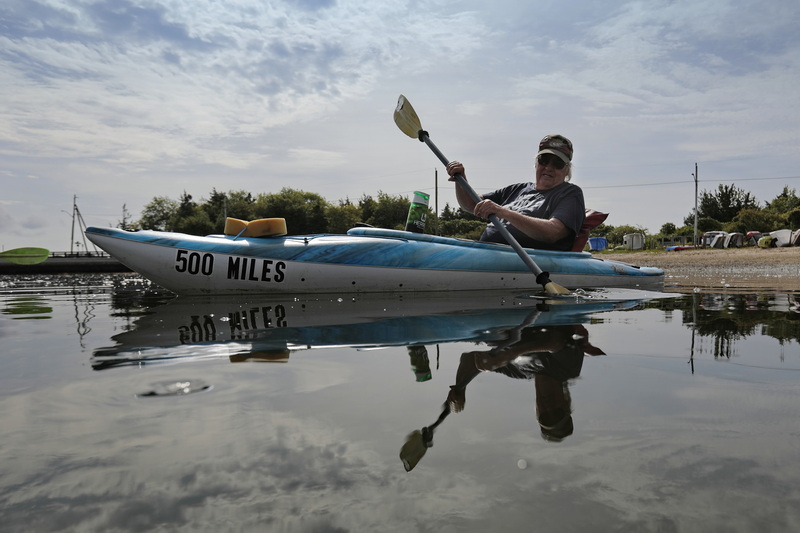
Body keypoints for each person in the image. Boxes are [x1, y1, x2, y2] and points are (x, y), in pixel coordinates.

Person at [446, 134, 586, 251]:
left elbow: (553, 232)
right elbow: (471, 205)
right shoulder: (518, 189)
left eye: (557, 164)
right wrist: (461, 181)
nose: (548, 168)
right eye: (544, 160)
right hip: (486, 251)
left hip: (523, 260)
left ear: (567, 170)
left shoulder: (570, 194)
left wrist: (502, 212)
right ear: (536, 163)